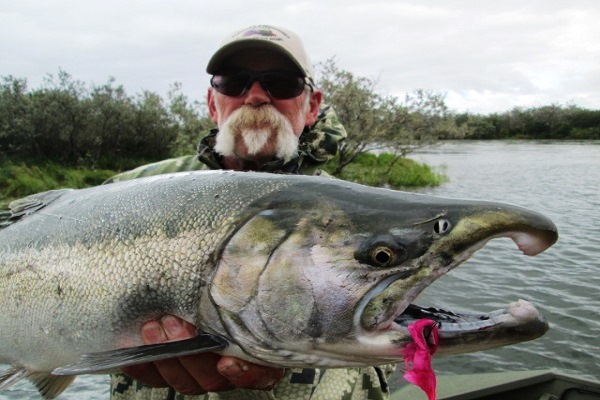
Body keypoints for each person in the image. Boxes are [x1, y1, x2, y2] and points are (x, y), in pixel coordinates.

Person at [107, 24, 394, 400]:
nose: (256, 97)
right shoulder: (125, 192)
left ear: (312, 106)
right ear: (213, 104)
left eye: (281, 83)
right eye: (234, 82)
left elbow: (384, 330)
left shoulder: (363, 217)